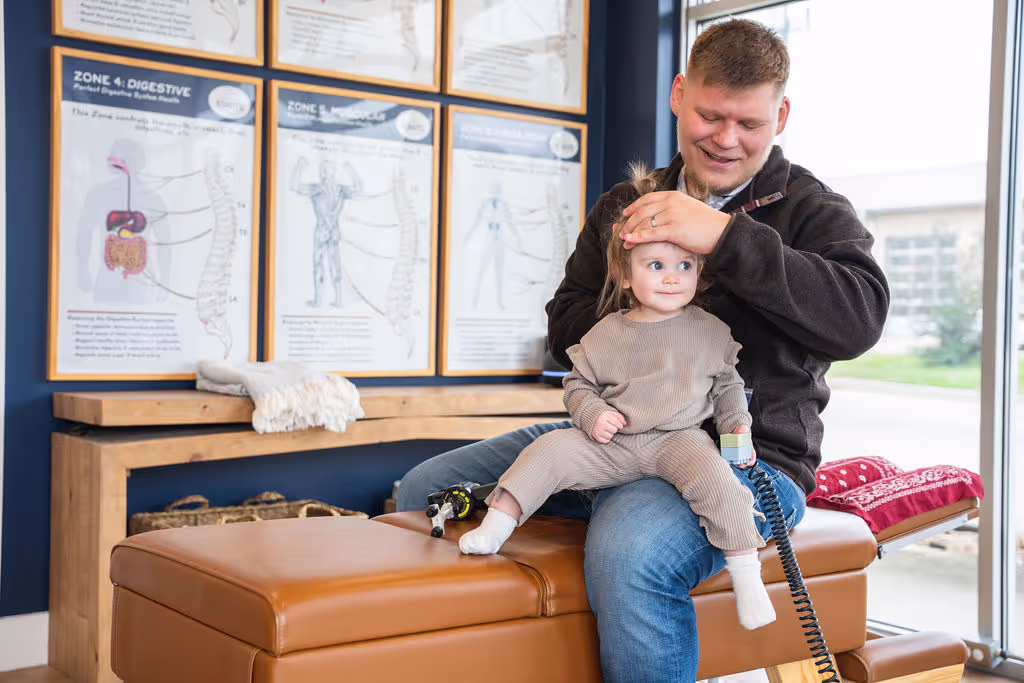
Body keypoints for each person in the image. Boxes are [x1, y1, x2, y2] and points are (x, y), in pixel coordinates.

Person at [398, 18, 889, 682]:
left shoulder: (813, 210)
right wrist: (647, 304)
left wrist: (721, 239)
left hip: (745, 456)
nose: (727, 138)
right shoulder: (625, 204)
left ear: (782, 114)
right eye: (711, 115)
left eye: (749, 123)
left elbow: (859, 318)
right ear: (679, 94)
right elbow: (564, 321)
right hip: (612, 436)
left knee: (629, 550)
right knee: (425, 486)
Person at [459, 165, 777, 631]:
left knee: (722, 487)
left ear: (699, 271)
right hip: (615, 444)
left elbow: (727, 386)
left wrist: (735, 427)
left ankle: (748, 578)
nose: (672, 278)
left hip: (680, 441)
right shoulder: (606, 333)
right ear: (624, 275)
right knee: (546, 451)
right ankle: (496, 528)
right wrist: (593, 415)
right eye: (656, 266)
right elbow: (578, 385)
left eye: (684, 266)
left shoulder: (710, 331)